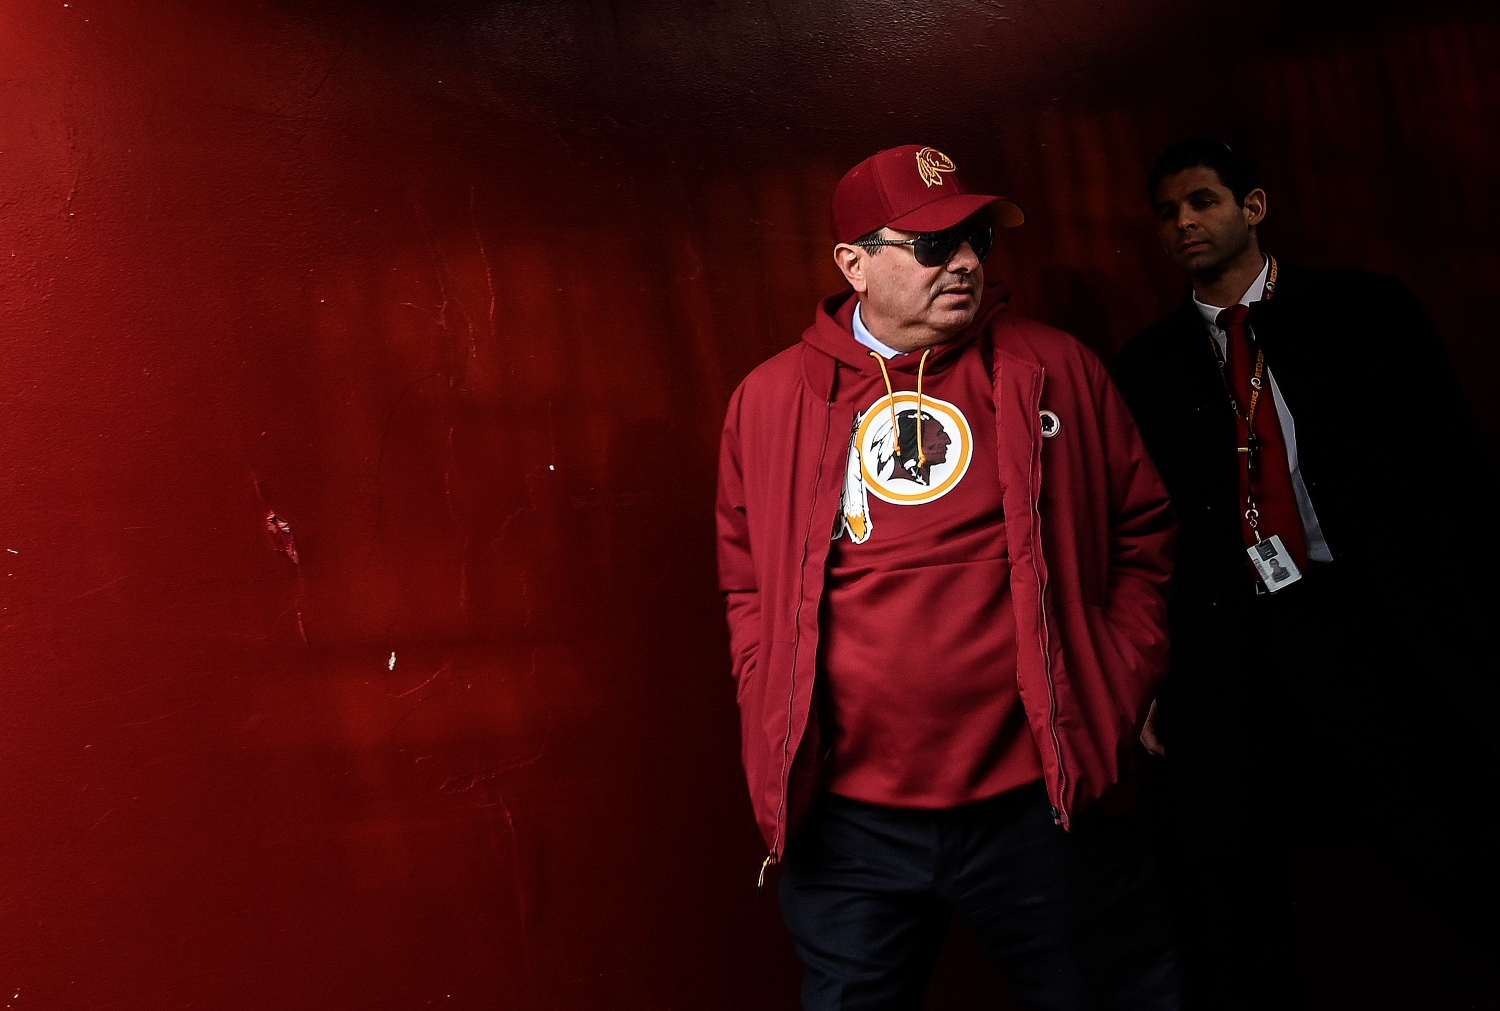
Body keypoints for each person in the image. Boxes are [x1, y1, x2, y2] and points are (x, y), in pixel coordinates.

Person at [716, 144, 1183, 1010]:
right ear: (854, 263)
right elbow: (748, 587)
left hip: (1043, 801)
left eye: (975, 240)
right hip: (851, 826)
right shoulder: (770, 401)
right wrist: (770, 707)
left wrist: (1116, 685)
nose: (965, 261)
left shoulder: (1059, 368)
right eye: (932, 245)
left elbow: (1143, 532)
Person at [1113, 137, 1500, 1009]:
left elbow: (1455, 468)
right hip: (1232, 643)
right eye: (1168, 212)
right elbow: (1138, 531)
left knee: (1434, 839)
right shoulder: (1149, 363)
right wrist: (1151, 672)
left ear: (1252, 206)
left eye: (1203, 201)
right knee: (1229, 881)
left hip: (1367, 620)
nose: (1184, 223)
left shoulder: (1365, 310)